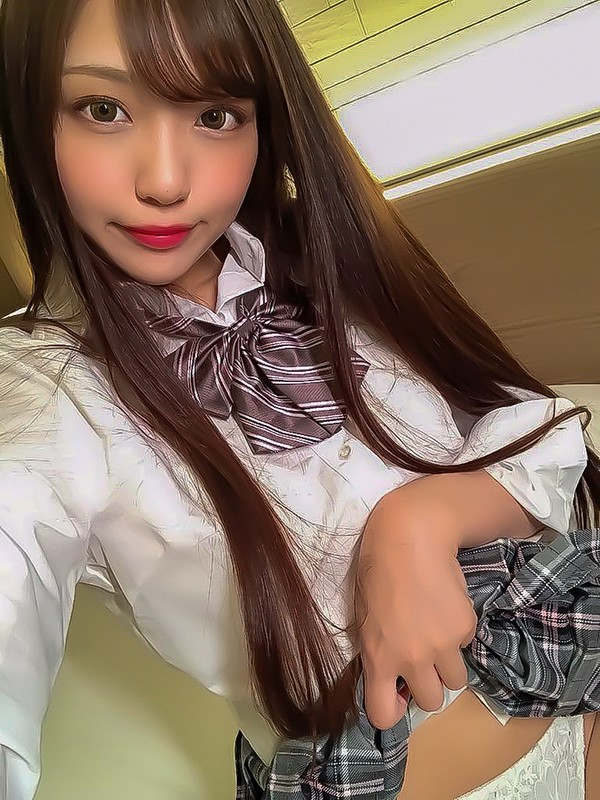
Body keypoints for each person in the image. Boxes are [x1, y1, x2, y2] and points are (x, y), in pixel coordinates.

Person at [0, 0, 598, 798]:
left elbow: (543, 429)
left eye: (215, 114)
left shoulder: (328, 260)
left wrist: (424, 518)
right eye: (103, 109)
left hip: (580, 680)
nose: (166, 181)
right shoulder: (38, 392)